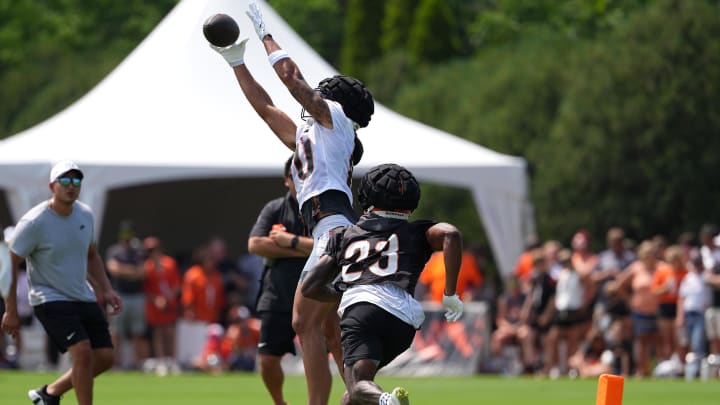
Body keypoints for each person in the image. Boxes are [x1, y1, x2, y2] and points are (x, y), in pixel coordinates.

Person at [209, 4, 374, 404]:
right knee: (330, 330)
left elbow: (291, 79)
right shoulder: (318, 135)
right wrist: (236, 63)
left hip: (331, 229)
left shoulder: (334, 119)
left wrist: (265, 33)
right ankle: (363, 395)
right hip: (334, 228)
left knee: (305, 324)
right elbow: (267, 110)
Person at [301, 163, 464, 405]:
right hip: (404, 319)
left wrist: (341, 291)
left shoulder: (346, 234)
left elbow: (310, 287)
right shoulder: (416, 231)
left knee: (357, 387)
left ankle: (388, 401)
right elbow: (451, 234)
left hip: (362, 312)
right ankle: (381, 399)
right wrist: (450, 293)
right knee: (355, 395)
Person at [0, 160, 122, 405]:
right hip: (49, 298)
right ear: (52, 186)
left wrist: (106, 289)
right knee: (83, 353)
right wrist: (10, 311)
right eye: (65, 180)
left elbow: (91, 255)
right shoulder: (34, 222)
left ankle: (49, 394)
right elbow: (9, 265)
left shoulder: (85, 215)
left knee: (106, 357)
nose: (71, 186)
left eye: (76, 180)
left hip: (82, 296)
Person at [248, 157, 316, 404]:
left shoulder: (321, 207)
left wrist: (289, 241)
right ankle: (279, 402)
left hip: (316, 295)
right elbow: (255, 244)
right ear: (287, 180)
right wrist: (306, 249)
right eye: (296, 175)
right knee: (267, 359)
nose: (301, 180)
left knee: (323, 357)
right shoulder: (275, 208)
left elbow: (333, 246)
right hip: (278, 294)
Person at [105, 220, 148, 369]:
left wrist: (125, 270)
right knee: (116, 333)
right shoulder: (114, 251)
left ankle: (139, 364)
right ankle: (116, 364)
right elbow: (113, 269)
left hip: (136, 296)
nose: (127, 238)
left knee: (138, 332)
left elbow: (142, 272)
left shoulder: (139, 251)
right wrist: (132, 271)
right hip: (119, 295)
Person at [142, 236, 181, 375]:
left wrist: (168, 296)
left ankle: (172, 361)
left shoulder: (169, 263)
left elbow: (177, 284)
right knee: (158, 332)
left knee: (170, 331)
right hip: (155, 305)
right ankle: (161, 361)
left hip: (169, 303)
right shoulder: (146, 267)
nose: (152, 252)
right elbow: (145, 289)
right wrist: (156, 299)